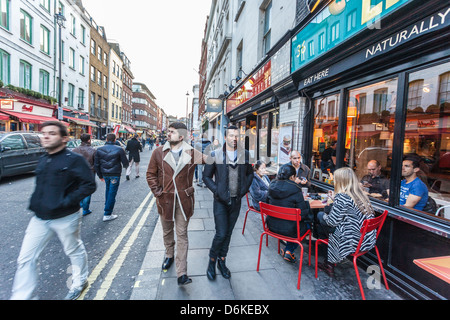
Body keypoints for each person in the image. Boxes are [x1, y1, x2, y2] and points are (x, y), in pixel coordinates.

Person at [10, 121, 96, 300]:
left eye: (52, 133)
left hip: (66, 216)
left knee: (73, 250)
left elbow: (88, 185)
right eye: (44, 133)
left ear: (64, 138)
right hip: (39, 217)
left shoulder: (74, 160)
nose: (45, 136)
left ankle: (79, 282)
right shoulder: (43, 158)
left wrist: (66, 201)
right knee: (26, 259)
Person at [146, 122, 205, 285]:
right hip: (165, 200)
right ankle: (169, 255)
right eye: (168, 131)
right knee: (167, 232)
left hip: (184, 201)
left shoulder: (192, 153)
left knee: (182, 234)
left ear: (181, 136)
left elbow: (211, 161)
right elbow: (150, 174)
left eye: (171, 132)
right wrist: (158, 192)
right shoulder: (158, 152)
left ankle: (182, 273)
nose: (168, 134)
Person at [203, 125, 254, 281]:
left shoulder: (245, 154)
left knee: (229, 233)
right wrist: (217, 191)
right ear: (225, 138)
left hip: (236, 201)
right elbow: (206, 177)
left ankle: (222, 261)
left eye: (236, 136)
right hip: (220, 201)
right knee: (221, 233)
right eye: (231, 135)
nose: (234, 138)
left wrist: (243, 190)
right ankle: (212, 261)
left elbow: (250, 174)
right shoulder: (215, 154)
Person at [316, 167, 377, 277]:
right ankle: (329, 259)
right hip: (366, 239)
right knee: (324, 223)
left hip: (350, 241)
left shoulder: (343, 197)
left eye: (335, 179)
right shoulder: (361, 195)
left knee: (320, 217)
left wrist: (325, 213)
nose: (334, 181)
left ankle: (329, 263)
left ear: (341, 181)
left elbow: (332, 222)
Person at [266, 165, 312, 263]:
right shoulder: (295, 188)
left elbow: (267, 203)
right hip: (289, 230)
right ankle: (289, 250)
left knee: (293, 223)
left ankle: (288, 250)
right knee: (307, 224)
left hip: (271, 226)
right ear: (292, 177)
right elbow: (302, 214)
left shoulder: (271, 185)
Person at [94, 133, 129, 222]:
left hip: (105, 174)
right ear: (115, 140)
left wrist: (100, 175)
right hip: (115, 174)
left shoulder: (99, 149)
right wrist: (125, 167)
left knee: (108, 190)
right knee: (112, 192)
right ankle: (107, 213)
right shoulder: (119, 149)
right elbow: (125, 163)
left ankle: (107, 206)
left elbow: (96, 164)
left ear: (106, 140)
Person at [73, 133, 97, 216]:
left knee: (79, 188)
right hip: (90, 172)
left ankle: (79, 207)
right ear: (89, 140)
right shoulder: (93, 150)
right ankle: (85, 209)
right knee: (87, 190)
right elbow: (96, 163)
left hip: (78, 172)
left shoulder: (75, 150)